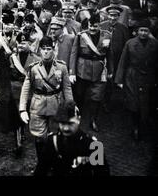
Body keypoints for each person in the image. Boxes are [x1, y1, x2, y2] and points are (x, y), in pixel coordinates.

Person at [19, 36, 73, 166]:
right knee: (39, 139)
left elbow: (66, 88)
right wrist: (22, 109)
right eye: (43, 49)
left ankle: (53, 164)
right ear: (40, 50)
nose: (46, 52)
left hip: (56, 105)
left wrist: (71, 106)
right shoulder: (33, 68)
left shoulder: (61, 67)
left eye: (49, 49)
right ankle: (41, 164)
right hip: (38, 106)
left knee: (55, 137)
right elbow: (25, 89)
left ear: (53, 49)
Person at [35, 100, 110, 176]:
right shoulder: (51, 142)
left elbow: (102, 173)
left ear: (79, 120)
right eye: (63, 123)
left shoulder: (93, 145)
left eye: (70, 123)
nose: (66, 128)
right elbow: (41, 170)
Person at [115, 19, 158, 140]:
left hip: (148, 77)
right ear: (137, 31)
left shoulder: (155, 44)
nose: (143, 33)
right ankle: (135, 127)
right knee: (133, 103)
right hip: (132, 76)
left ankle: (143, 125)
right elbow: (123, 62)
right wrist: (119, 79)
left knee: (146, 103)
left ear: (149, 31)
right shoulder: (130, 43)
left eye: (146, 31)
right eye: (141, 30)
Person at [69, 14, 113, 132]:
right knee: (79, 95)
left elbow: (110, 55)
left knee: (96, 97)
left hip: (99, 71)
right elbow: (74, 54)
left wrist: (111, 70)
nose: (92, 29)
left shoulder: (107, 36)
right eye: (90, 26)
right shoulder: (81, 36)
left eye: (95, 26)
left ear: (99, 24)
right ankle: (78, 117)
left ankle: (93, 119)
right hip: (82, 69)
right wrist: (72, 72)